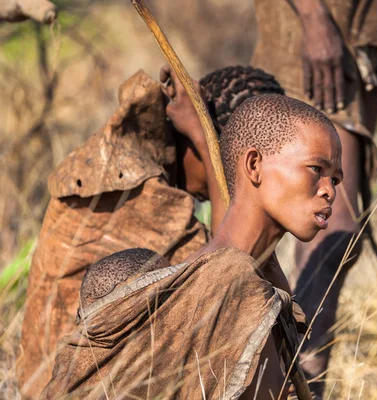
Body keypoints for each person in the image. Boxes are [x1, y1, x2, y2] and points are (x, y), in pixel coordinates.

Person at [41, 93, 342, 400]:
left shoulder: (256, 282)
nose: (329, 191)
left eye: (336, 180)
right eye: (317, 169)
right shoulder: (235, 285)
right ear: (254, 165)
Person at [17, 65, 285, 399]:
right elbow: (221, 277)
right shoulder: (135, 190)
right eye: (230, 168)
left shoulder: (143, 170)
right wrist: (205, 140)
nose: (234, 186)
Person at [252, 0, 377, 393]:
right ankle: (295, 379)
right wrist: (313, 16)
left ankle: (287, 378)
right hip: (318, 42)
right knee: (333, 232)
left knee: (317, 233)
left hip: (352, 43)